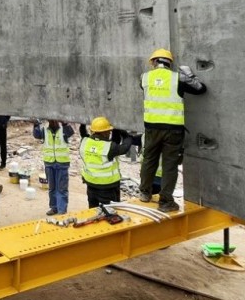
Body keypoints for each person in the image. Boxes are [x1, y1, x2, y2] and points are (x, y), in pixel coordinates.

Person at [139, 48, 207, 213]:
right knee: (169, 165)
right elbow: (201, 90)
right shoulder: (178, 79)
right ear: (170, 63)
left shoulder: (145, 78)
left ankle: (145, 193)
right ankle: (165, 202)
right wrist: (190, 77)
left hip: (151, 128)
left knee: (149, 160)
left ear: (154, 62)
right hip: (173, 130)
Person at [78, 116, 133, 206]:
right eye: (108, 131)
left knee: (94, 210)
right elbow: (124, 148)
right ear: (104, 133)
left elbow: (83, 133)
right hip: (107, 187)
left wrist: (82, 122)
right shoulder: (109, 147)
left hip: (91, 184)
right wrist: (127, 136)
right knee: (111, 213)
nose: (109, 133)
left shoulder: (85, 142)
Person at [37, 119, 74, 216]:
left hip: (62, 163)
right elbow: (37, 135)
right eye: (51, 120)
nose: (53, 122)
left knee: (61, 188)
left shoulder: (63, 129)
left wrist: (65, 123)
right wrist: (35, 124)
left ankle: (62, 210)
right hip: (49, 162)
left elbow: (71, 132)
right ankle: (54, 208)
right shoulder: (45, 130)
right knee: (52, 188)